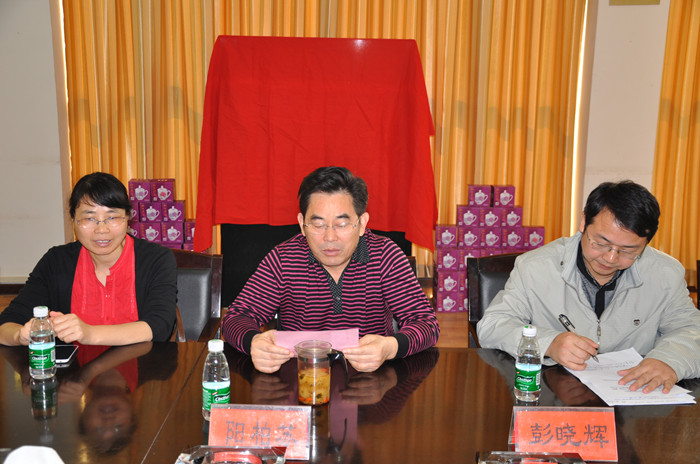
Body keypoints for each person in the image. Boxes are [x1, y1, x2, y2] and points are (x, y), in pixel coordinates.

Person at [477, 180, 700, 394]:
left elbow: (691, 330)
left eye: (628, 250)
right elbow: (493, 325)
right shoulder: (535, 267)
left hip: (635, 399)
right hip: (555, 396)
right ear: (584, 222)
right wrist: (548, 343)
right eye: (601, 243)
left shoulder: (665, 274)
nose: (611, 258)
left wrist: (669, 361)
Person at [222, 166, 439, 373]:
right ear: (302, 224)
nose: (330, 237)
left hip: (372, 381)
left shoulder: (385, 256)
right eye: (318, 225)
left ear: (362, 223)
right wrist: (254, 342)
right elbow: (235, 319)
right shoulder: (283, 260)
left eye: (341, 224)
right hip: (300, 379)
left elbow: (426, 324)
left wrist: (390, 347)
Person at [0, 172, 177, 345]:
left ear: (127, 217)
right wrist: (20, 336)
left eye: (112, 217)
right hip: (76, 365)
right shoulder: (56, 262)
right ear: (73, 220)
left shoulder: (156, 259)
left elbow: (160, 326)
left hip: (142, 363)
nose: (102, 230)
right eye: (89, 218)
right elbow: (7, 323)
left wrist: (89, 333)